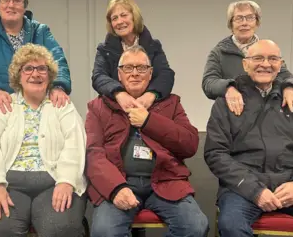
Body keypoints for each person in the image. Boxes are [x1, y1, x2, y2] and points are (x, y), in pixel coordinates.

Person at [204, 39, 293, 237]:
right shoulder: (226, 102)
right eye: (258, 58)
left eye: (273, 59)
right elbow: (215, 154)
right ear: (245, 64)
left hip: (290, 186)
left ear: (280, 64)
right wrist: (255, 190)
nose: (266, 64)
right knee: (231, 226)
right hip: (242, 189)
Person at [86, 45, 208, 237]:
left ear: (150, 74)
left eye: (141, 68)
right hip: (120, 182)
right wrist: (116, 188)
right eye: (128, 68)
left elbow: (190, 144)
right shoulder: (99, 107)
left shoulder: (171, 103)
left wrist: (149, 121)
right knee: (104, 232)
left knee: (195, 226)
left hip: (165, 181)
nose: (135, 73)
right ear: (119, 74)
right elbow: (93, 156)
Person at [0, 44, 87, 237]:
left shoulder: (62, 105)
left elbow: (75, 144)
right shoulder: (4, 104)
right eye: (28, 69)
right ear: (18, 75)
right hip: (7, 183)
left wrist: (66, 181)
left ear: (49, 75)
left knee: (61, 228)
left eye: (42, 69)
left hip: (55, 181)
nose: (36, 74)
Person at [202, 0, 293, 116]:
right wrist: (228, 88)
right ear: (231, 24)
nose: (244, 23)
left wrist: (290, 88)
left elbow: (285, 76)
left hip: (268, 114)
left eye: (250, 18)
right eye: (239, 18)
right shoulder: (219, 52)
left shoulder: (267, 49)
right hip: (235, 116)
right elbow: (208, 83)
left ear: (257, 23)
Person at [92, 0, 175, 111]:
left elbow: (166, 74)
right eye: (114, 18)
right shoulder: (104, 50)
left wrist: (151, 94)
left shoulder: (153, 46)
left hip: (149, 108)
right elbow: (98, 76)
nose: (119, 22)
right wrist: (119, 93)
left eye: (124, 15)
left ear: (134, 17)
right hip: (116, 108)